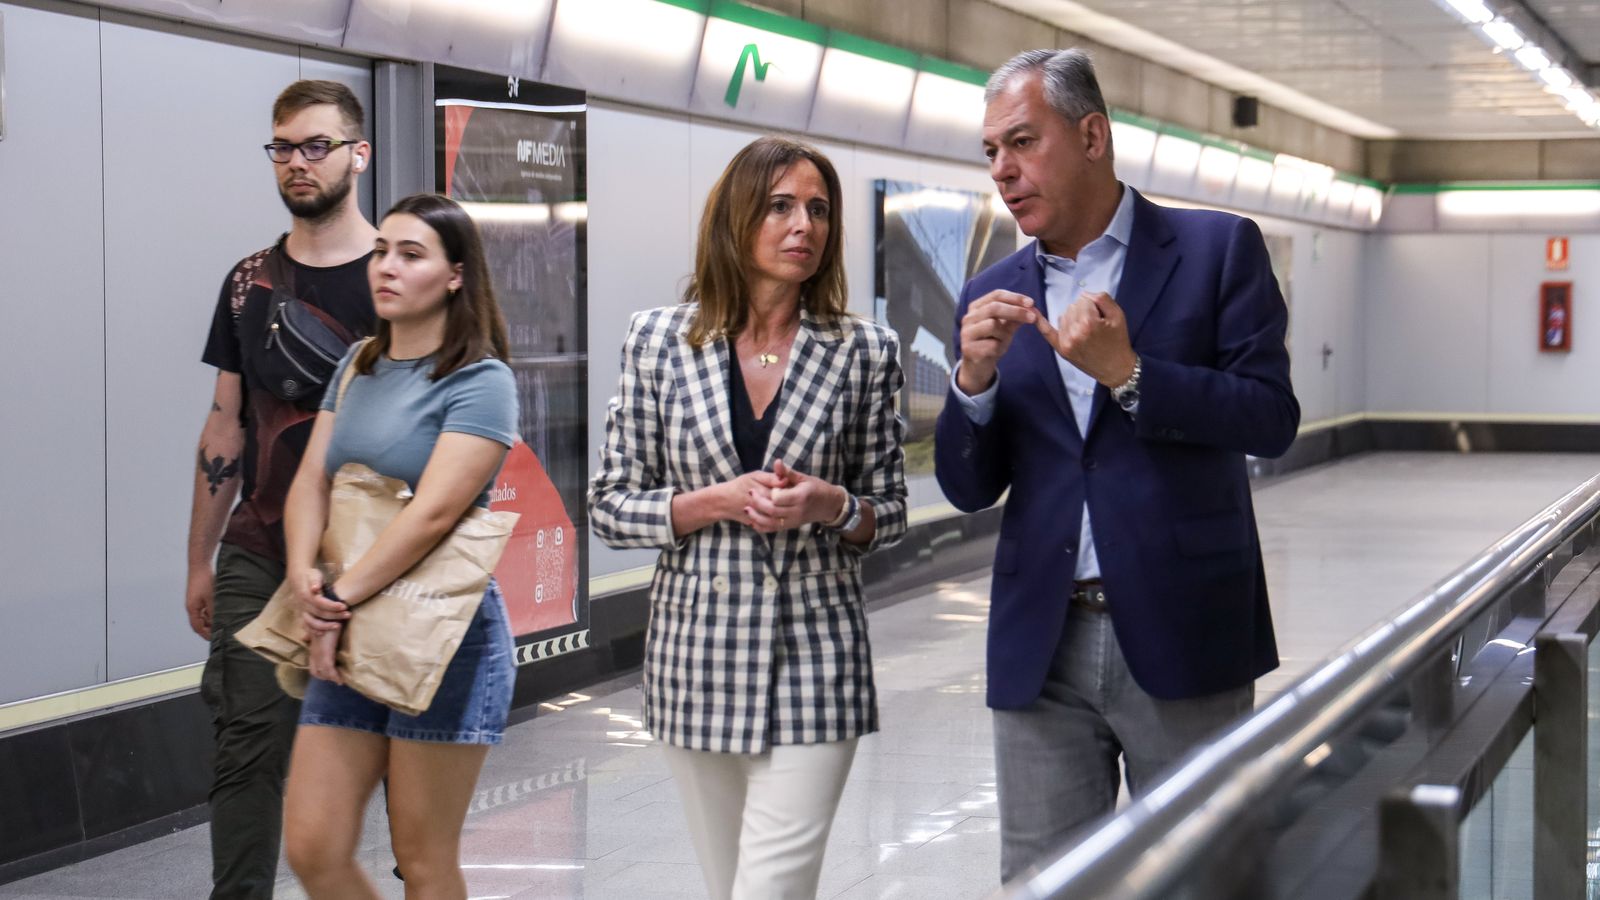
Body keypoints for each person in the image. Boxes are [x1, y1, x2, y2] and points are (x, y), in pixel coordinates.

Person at [933, 49, 1300, 882]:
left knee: (1200, 873)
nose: (1003, 170)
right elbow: (967, 485)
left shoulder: (1215, 251)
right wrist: (973, 382)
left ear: (1092, 134)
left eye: (1021, 142)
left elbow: (1271, 419)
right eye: (991, 151)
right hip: (1041, 639)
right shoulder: (990, 292)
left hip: (1184, 626)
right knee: (1042, 876)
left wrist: (1130, 375)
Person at [588, 135, 908, 899]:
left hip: (818, 655)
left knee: (770, 889)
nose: (805, 225)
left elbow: (888, 511)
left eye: (819, 209)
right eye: (780, 206)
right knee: (726, 882)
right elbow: (608, 504)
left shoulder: (863, 350)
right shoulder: (659, 340)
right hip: (694, 656)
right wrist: (714, 502)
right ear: (736, 219)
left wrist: (830, 504)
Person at [278, 193, 518, 900]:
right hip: (343, 629)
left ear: (454, 276)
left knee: (421, 855)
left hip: (443, 639)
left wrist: (336, 599)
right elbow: (312, 481)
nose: (385, 266)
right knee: (314, 846)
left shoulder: (481, 380)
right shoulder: (357, 364)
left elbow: (435, 512)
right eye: (382, 249)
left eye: (411, 254)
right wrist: (302, 576)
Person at [186, 79, 376, 899]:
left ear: (357, 153)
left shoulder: (401, 274)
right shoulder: (248, 283)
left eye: (317, 145)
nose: (297, 163)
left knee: (391, 748)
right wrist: (200, 560)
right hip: (259, 551)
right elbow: (225, 427)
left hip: (376, 553)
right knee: (246, 748)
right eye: (284, 147)